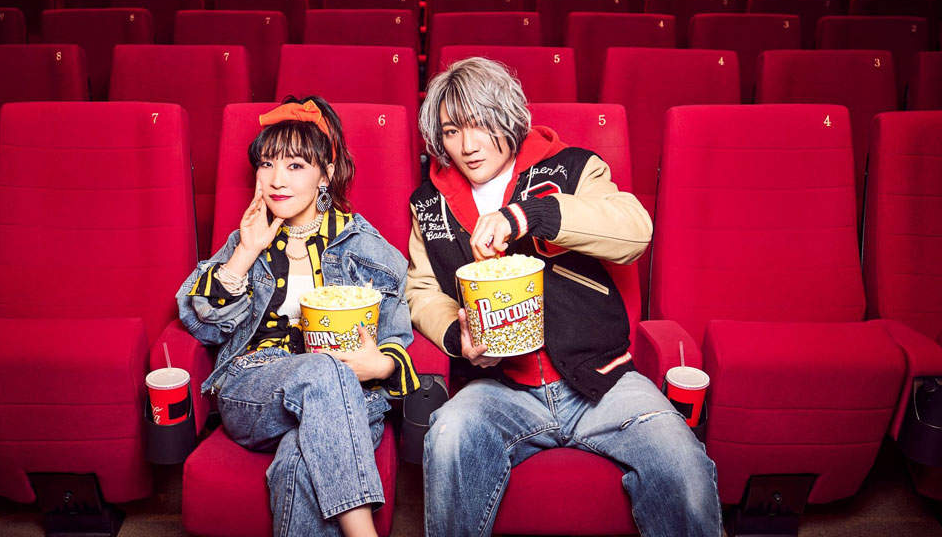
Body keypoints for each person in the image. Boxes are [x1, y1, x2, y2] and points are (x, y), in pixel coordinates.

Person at [406, 57, 722, 537]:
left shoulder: (574, 167)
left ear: (507, 116)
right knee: (448, 435)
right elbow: (423, 289)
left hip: (603, 381)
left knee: (682, 461)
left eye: (480, 124)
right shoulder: (428, 203)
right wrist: (457, 335)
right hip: (501, 390)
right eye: (451, 132)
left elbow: (634, 230)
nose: (467, 146)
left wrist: (529, 215)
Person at [177, 96, 420, 537]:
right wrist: (245, 253)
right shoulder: (246, 239)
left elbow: (396, 340)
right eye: (267, 164)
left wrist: (380, 365)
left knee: (299, 462)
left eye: (295, 166)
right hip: (254, 389)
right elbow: (201, 323)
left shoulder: (368, 250)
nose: (276, 180)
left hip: (349, 399)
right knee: (322, 369)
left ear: (326, 173)